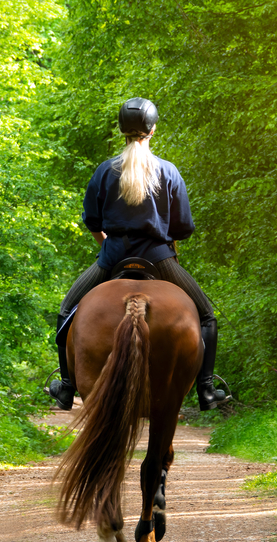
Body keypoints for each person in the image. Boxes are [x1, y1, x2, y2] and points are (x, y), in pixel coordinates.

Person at [49, 97, 227, 412]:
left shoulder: (105, 171)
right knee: (207, 315)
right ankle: (207, 389)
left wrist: (107, 244)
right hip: (159, 258)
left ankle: (65, 388)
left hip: (112, 256)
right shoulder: (169, 172)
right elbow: (183, 227)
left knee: (66, 312)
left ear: (122, 131)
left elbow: (92, 220)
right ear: (152, 130)